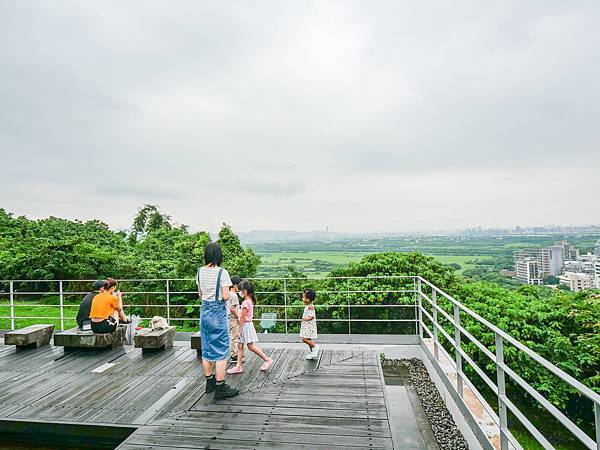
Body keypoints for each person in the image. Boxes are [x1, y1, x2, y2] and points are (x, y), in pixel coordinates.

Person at [197, 242, 239, 399]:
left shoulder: (200, 271)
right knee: (221, 351)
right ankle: (221, 387)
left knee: (206, 347)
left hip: (204, 311)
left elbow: (200, 295)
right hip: (217, 312)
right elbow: (226, 296)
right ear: (219, 256)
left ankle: (210, 382)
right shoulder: (222, 272)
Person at [227, 280, 273, 374]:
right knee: (240, 345)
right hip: (246, 325)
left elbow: (242, 318)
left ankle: (267, 359)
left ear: (244, 291)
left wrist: (239, 331)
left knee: (250, 346)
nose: (239, 292)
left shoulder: (245, 303)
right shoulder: (249, 301)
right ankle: (238, 366)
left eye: (240, 290)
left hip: (245, 326)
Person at [300, 288, 319, 360]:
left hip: (309, 326)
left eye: (303, 297)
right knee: (308, 339)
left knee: (304, 339)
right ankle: (312, 353)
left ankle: (315, 347)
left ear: (308, 299)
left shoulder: (310, 306)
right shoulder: (307, 306)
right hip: (306, 326)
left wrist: (304, 319)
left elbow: (311, 316)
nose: (302, 298)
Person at [228, 275, 243, 363]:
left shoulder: (229, 294)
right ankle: (234, 355)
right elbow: (232, 308)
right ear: (234, 285)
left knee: (233, 336)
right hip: (233, 318)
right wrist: (239, 316)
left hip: (229, 318)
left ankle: (234, 354)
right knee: (235, 336)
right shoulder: (234, 296)